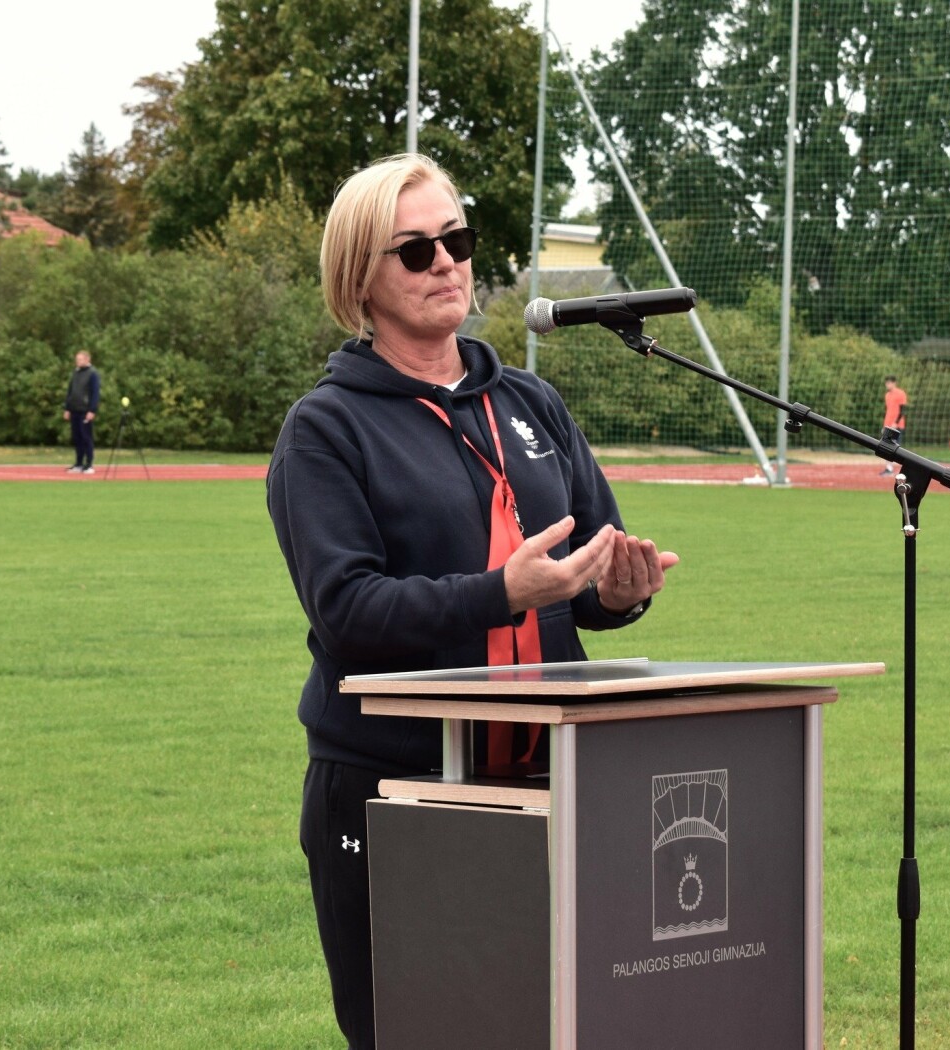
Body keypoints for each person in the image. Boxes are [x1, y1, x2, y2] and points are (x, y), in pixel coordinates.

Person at [266, 153, 679, 1049]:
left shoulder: (530, 401)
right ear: (360, 278)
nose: (446, 261)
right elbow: (348, 611)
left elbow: (586, 577)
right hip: (394, 789)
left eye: (457, 238)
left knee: (552, 1027)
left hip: (550, 775)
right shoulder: (325, 430)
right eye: (414, 250)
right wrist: (501, 594)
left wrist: (619, 590)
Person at [63, 351, 100, 474]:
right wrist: (67, 408)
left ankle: (89, 464)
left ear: (87, 359)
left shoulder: (92, 374)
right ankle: (78, 463)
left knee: (86, 437)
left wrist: (92, 410)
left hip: (85, 410)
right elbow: (70, 391)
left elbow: (95, 393)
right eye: (77, 359)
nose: (78, 362)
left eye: (80, 359)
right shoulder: (76, 372)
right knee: (77, 437)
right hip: (74, 409)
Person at [880, 373, 908, 476]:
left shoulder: (901, 393)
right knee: (885, 446)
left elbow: (903, 410)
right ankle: (889, 468)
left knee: (896, 448)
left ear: (894, 383)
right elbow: (888, 411)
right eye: (886, 383)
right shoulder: (887, 395)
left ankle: (900, 468)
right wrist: (885, 425)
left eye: (889, 383)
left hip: (897, 425)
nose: (888, 385)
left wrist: (896, 423)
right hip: (888, 425)